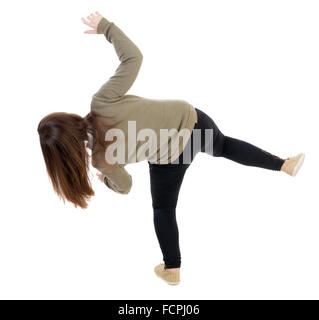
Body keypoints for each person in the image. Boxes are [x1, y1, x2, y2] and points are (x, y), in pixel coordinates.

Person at [37, 12, 305, 285]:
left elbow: (126, 186)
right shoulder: (101, 102)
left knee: (164, 210)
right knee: (223, 145)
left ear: (63, 156)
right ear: (69, 119)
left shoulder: (101, 161)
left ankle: (173, 269)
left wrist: (107, 180)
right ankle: (284, 164)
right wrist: (106, 28)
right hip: (190, 122)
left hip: (171, 159)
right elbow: (134, 58)